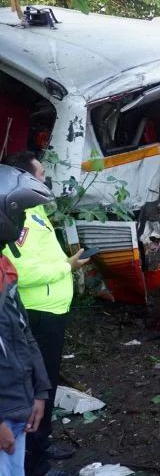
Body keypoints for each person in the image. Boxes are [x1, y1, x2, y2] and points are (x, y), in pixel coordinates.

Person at [0, 153, 89, 474]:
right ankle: (33, 460)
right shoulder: (13, 214)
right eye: (40, 173)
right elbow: (20, 269)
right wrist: (66, 266)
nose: (45, 178)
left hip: (51, 309)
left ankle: (40, 445)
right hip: (36, 311)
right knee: (30, 387)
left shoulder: (33, 210)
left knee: (44, 383)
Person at [0, 165, 54, 476]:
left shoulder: (6, 268)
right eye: (19, 215)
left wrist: (40, 391)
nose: (22, 223)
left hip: (18, 405)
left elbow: (24, 334)